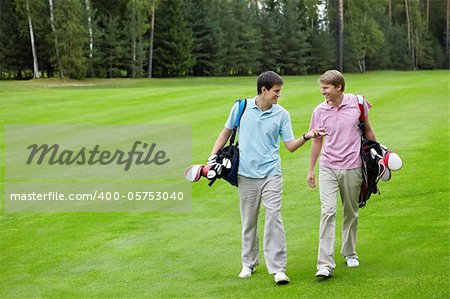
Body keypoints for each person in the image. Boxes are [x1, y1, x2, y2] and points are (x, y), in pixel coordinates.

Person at [209, 71, 325, 285]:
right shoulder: (241, 108)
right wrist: (211, 158)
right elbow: (225, 133)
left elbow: (290, 146)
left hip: (272, 174)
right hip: (245, 174)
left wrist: (307, 136)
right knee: (249, 220)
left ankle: (278, 268)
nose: (278, 96)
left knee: (274, 218)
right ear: (263, 90)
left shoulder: (282, 114)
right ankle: (248, 263)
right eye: (276, 91)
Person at [307, 70, 377, 278]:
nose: (322, 92)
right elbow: (317, 141)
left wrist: (378, 155)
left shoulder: (358, 104)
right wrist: (311, 169)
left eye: (326, 88)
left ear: (338, 87)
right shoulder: (319, 111)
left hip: (353, 166)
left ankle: (349, 252)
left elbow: (368, 131)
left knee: (351, 211)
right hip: (327, 166)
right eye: (321, 87)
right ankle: (325, 264)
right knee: (327, 212)